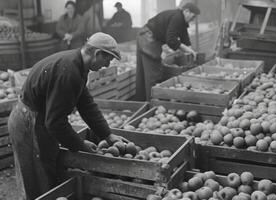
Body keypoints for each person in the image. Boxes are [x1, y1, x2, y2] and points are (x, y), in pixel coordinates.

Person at [8, 32, 127, 200]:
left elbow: (85, 104)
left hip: (38, 118)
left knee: (47, 166)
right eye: (108, 59)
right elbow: (55, 122)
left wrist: (107, 134)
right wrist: (79, 144)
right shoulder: (69, 70)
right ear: (97, 53)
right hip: (29, 121)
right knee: (37, 177)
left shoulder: (78, 66)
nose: (107, 65)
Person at [135, 3, 200, 101]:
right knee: (153, 73)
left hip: (144, 36)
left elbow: (184, 37)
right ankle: (153, 105)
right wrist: (187, 50)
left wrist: (191, 51)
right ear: (186, 11)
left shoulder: (180, 19)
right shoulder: (177, 18)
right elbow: (171, 40)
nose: (193, 19)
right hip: (148, 39)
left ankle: (142, 102)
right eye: (193, 16)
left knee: (143, 73)